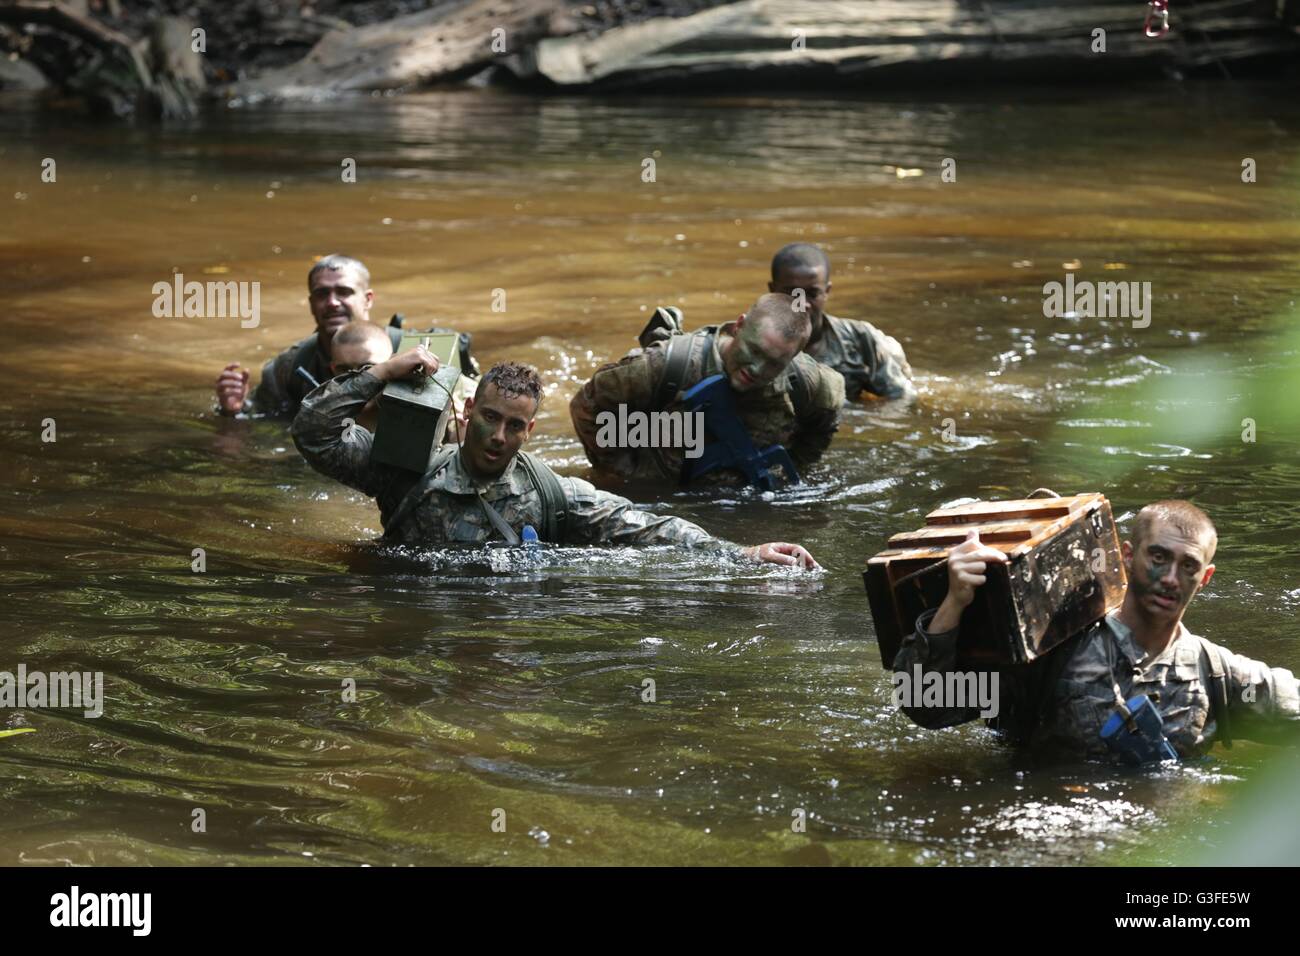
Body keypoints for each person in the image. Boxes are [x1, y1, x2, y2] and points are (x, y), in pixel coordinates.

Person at [292, 356, 820, 567]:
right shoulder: (405, 467)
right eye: (490, 418)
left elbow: (644, 528)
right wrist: (381, 373)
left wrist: (742, 552)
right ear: (468, 410)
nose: (498, 437)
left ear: (531, 430)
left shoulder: (549, 494)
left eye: (514, 426)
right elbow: (314, 434)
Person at [893, 500, 1299, 760]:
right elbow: (924, 705)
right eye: (1158, 557)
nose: (1171, 578)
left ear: (1205, 577)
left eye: (1188, 566)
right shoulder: (1053, 651)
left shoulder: (1218, 675)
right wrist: (954, 602)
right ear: (1126, 556)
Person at [569, 293, 844, 487]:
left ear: (794, 357)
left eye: (773, 363)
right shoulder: (667, 366)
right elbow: (587, 406)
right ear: (739, 326)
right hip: (665, 491)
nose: (757, 368)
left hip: (746, 497)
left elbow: (825, 421)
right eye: (754, 351)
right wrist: (623, 472)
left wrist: (796, 466)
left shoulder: (809, 383)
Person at [215, 254, 391, 418]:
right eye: (322, 294)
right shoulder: (287, 368)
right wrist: (234, 410)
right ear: (312, 303)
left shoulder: (409, 354)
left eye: (344, 292)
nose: (332, 302)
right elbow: (259, 423)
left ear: (368, 299)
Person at [768, 243, 915, 402]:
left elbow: (901, 400)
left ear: (826, 292)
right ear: (772, 290)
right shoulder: (752, 342)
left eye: (812, 293)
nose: (802, 304)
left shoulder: (860, 339)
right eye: (792, 293)